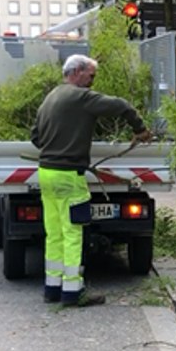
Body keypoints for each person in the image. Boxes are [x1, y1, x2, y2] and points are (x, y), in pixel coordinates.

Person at [31, 54, 153, 307]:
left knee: (53, 234)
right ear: (77, 72)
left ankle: (52, 288)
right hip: (69, 177)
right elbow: (122, 105)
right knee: (73, 233)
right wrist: (140, 129)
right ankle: (74, 293)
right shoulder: (81, 98)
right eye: (90, 75)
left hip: (46, 173)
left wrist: (58, 144)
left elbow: (35, 137)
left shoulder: (50, 97)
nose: (92, 81)